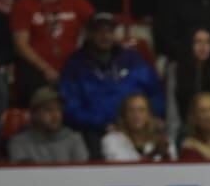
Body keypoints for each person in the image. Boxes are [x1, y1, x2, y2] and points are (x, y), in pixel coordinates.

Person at [60, 13, 164, 145]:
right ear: (89, 33)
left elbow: (155, 92)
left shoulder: (133, 59)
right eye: (99, 31)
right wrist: (101, 124)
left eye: (109, 31)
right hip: (96, 131)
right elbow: (71, 108)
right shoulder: (75, 66)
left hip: (137, 125)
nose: (105, 36)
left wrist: (153, 116)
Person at [10, 0, 96, 106]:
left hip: (71, 66)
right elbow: (20, 45)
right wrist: (46, 69)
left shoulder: (76, 1)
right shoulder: (23, 4)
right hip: (36, 69)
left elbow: (97, 29)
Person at [8, 86, 89, 164]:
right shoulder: (19, 143)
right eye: (49, 110)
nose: (56, 115)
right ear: (34, 114)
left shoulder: (74, 140)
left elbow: (81, 175)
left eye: (59, 109)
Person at [102, 92, 175, 162]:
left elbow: (173, 169)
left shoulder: (164, 141)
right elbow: (122, 170)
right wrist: (153, 154)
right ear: (124, 115)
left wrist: (166, 155)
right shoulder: (111, 140)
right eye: (131, 110)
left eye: (141, 110)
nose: (136, 115)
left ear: (149, 115)